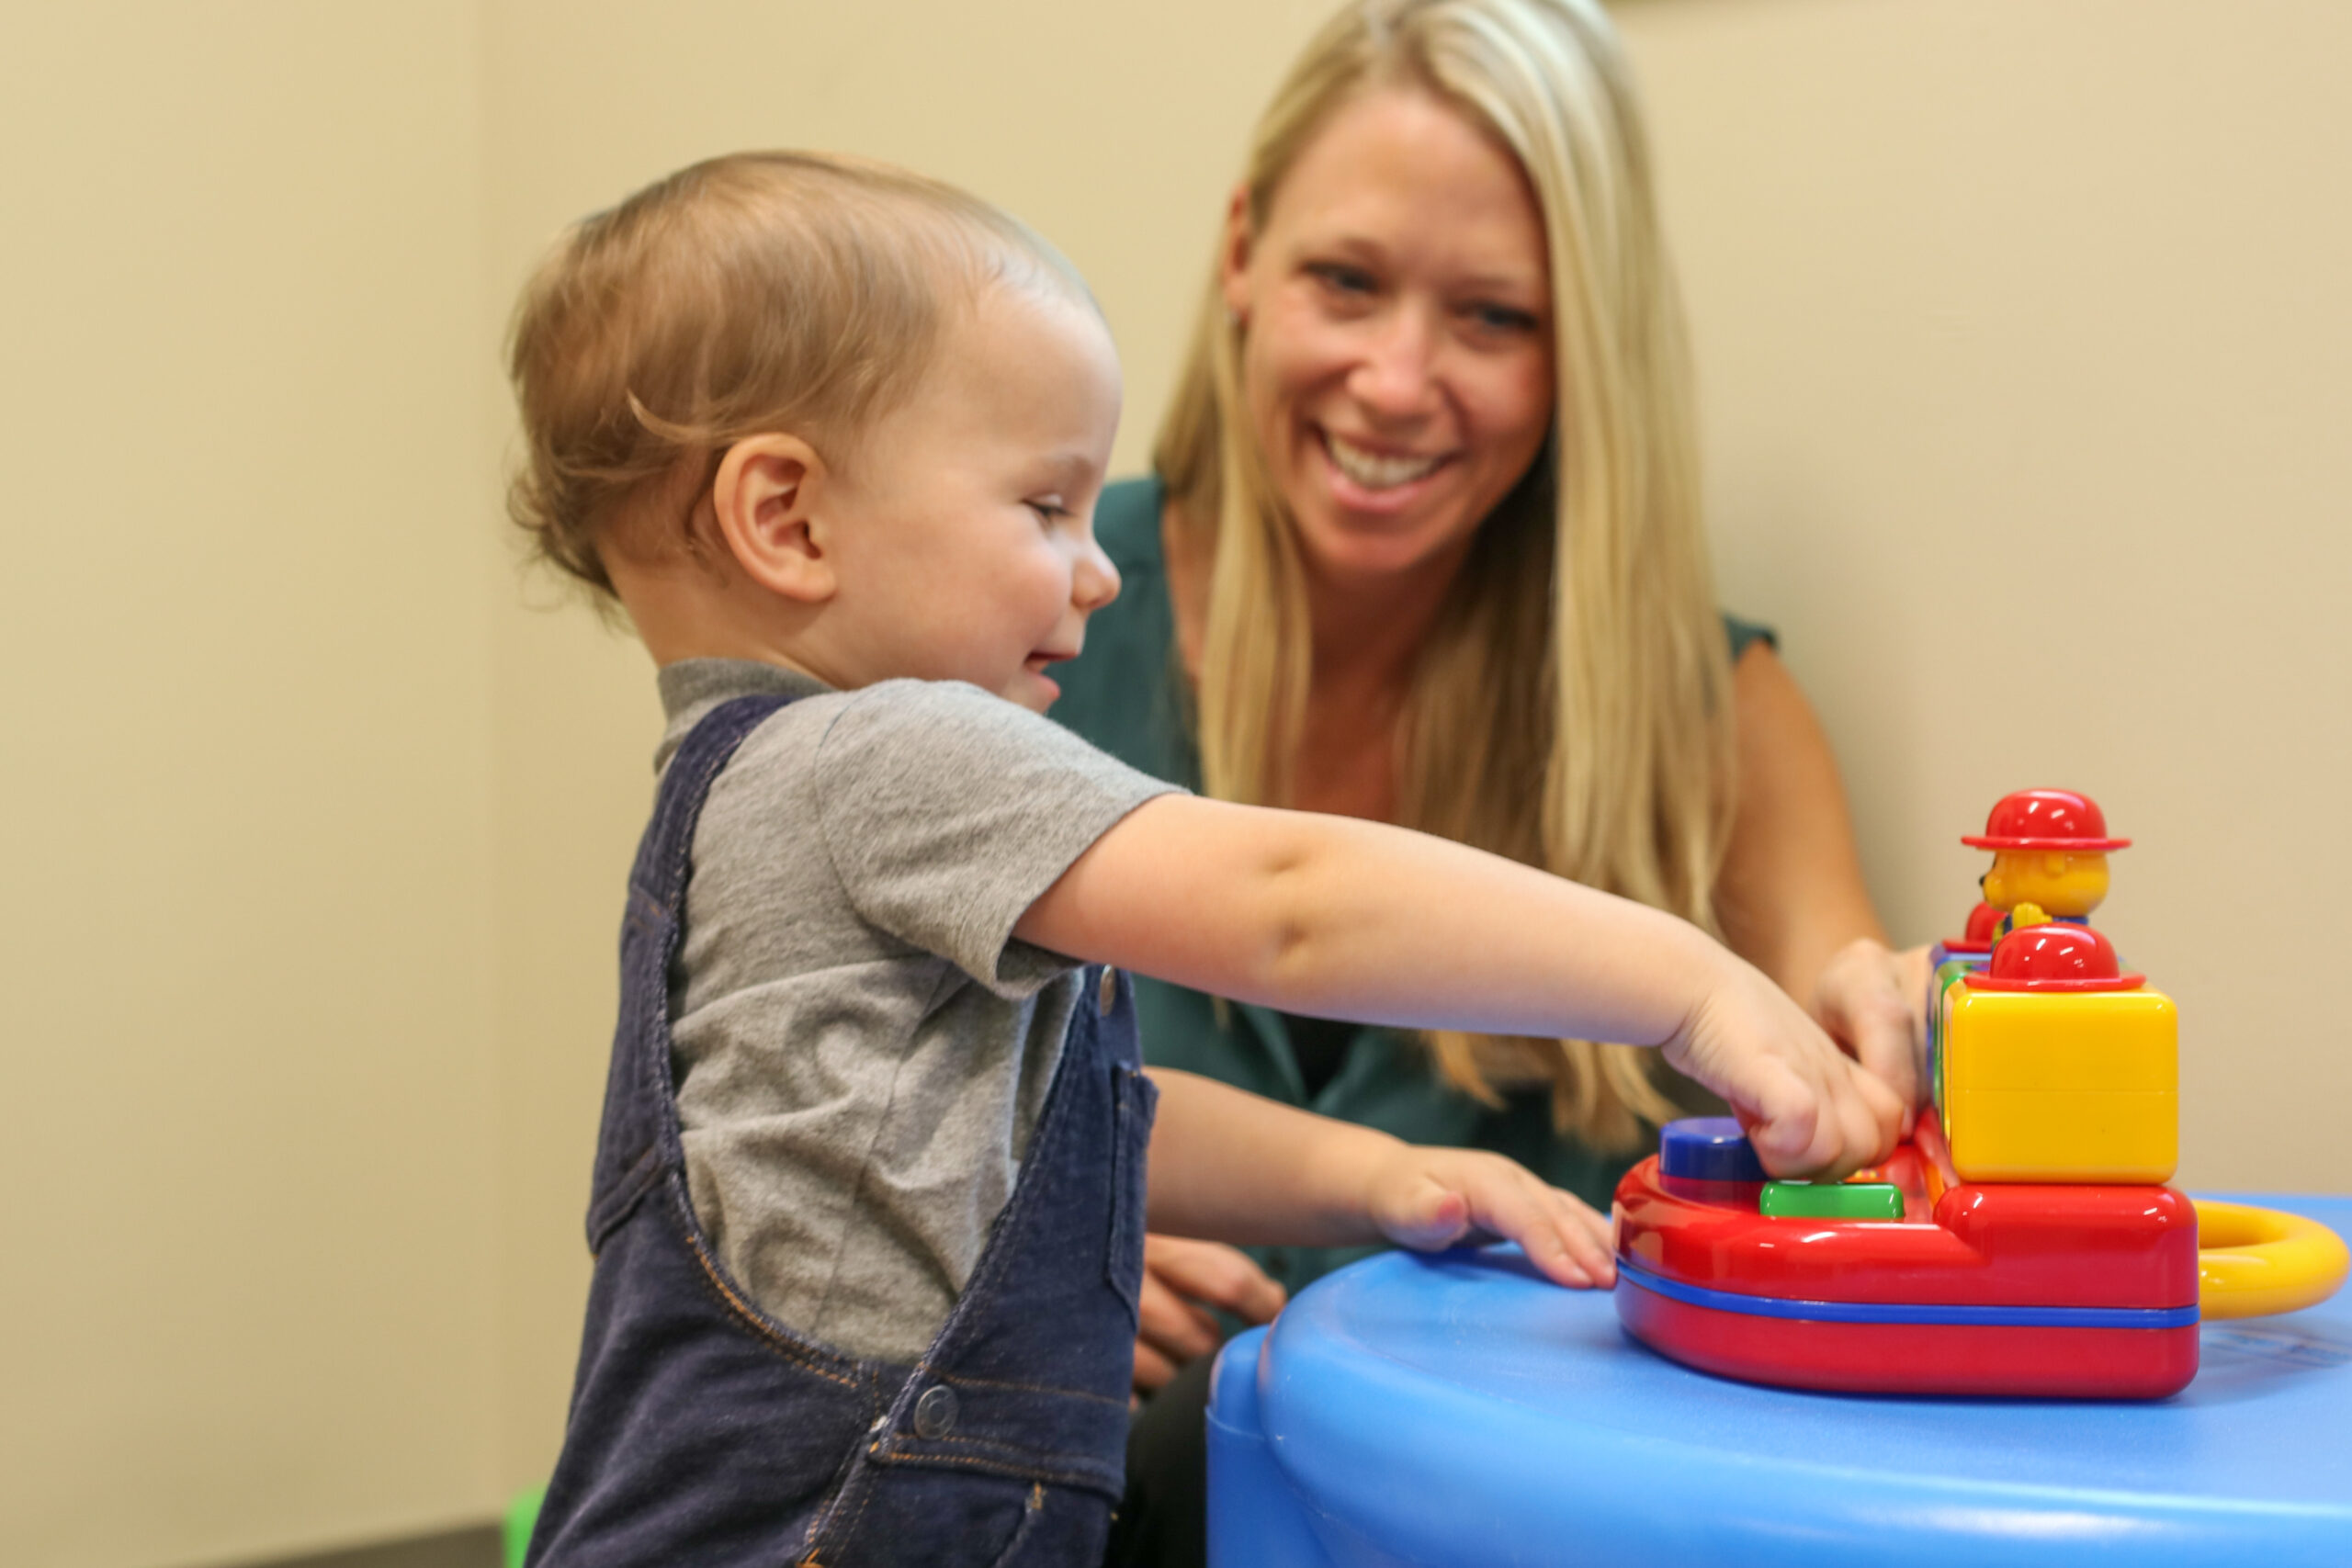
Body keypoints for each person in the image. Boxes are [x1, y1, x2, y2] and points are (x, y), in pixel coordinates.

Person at [503, 151, 1901, 1566]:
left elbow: (1072, 1117)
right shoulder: (884, 757)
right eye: (1044, 509)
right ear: (789, 519)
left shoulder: (732, 800)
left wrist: (1367, 1176)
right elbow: (1288, 907)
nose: (1095, 566)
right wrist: (1683, 981)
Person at [1044, 2, 1930, 1553]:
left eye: (1494, 319)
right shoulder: (1014, 632)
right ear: (1243, 253)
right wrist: (1011, 1266)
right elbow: (790, 1120)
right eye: (1347, 281)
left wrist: (1901, 1029)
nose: (1396, 382)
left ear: (1584, 344)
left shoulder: (1707, 713)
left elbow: (1844, 1081)